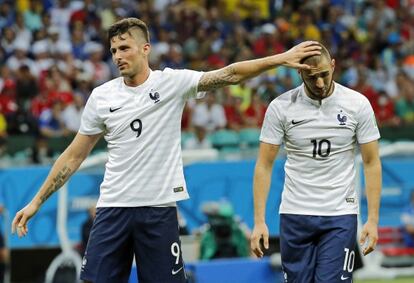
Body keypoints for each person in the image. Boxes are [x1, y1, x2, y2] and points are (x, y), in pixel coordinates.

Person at [11, 17, 321, 283]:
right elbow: (74, 155)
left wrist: (279, 58)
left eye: (125, 48)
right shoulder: (101, 97)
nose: (118, 56)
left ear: (145, 49)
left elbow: (230, 74)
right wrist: (37, 201)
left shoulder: (172, 83)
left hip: (158, 211)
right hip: (112, 209)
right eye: (114, 51)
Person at [250, 43, 382, 283]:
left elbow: (371, 162)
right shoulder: (281, 107)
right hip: (295, 214)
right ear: (299, 72)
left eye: (324, 74)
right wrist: (259, 221)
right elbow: (263, 165)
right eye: (312, 77)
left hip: (340, 214)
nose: (320, 83)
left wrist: (372, 220)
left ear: (333, 66)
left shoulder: (357, 104)